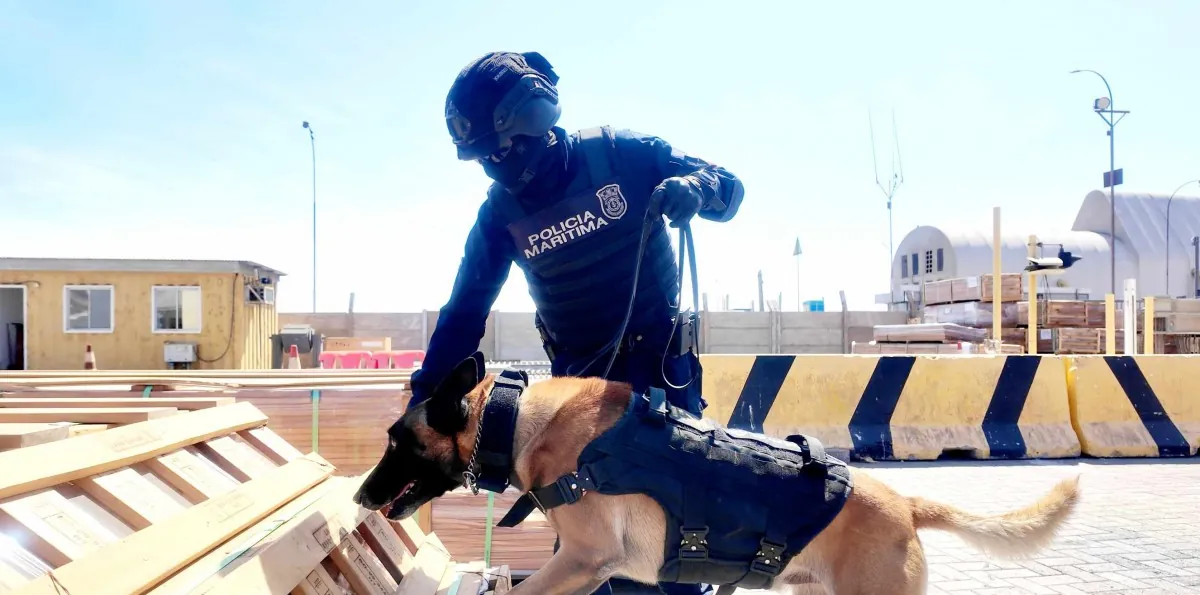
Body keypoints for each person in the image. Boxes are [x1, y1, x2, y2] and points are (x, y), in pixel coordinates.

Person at [408, 50, 744, 595]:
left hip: (659, 374)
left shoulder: (621, 155)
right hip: (578, 394)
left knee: (675, 531)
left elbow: (727, 186)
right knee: (590, 546)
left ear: (532, 126)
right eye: (484, 160)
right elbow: (464, 312)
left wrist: (699, 190)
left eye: (500, 153)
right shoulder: (500, 217)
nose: (495, 168)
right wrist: (422, 403)